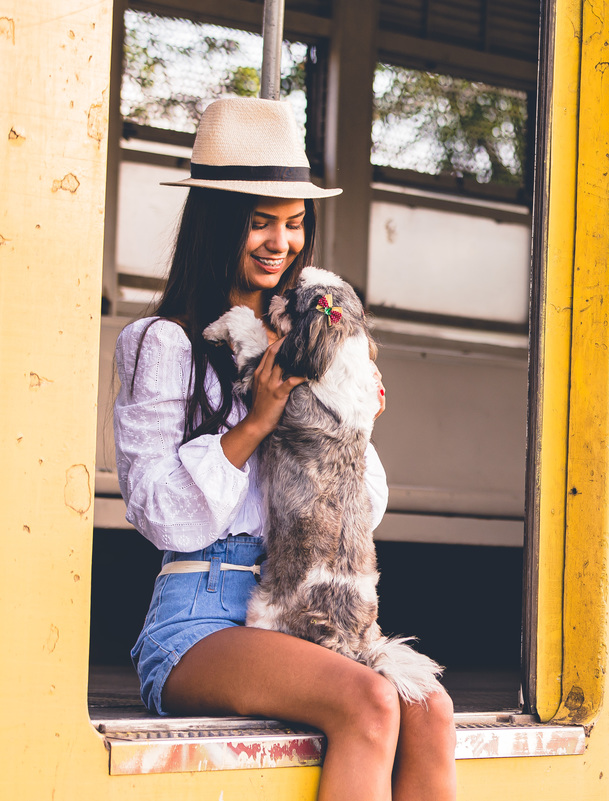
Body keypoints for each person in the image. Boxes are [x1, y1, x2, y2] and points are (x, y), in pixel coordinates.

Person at [113, 97, 456, 801]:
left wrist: (352, 430)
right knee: (370, 700)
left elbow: (359, 511)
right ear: (218, 222)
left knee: (429, 707)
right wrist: (259, 418)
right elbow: (159, 514)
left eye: (295, 223)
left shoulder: (306, 342)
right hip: (199, 615)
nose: (281, 241)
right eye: (260, 221)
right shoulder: (162, 343)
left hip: (304, 605)